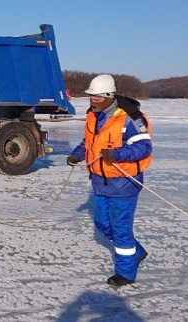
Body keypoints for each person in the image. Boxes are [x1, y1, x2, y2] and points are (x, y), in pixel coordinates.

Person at [66, 74, 153, 287]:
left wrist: (117, 155)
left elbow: (144, 147)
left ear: (108, 96)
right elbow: (90, 142)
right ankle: (137, 252)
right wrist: (77, 154)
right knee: (103, 224)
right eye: (90, 96)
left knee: (121, 228)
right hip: (100, 181)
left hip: (124, 183)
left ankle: (125, 274)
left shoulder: (130, 118)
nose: (92, 100)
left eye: (96, 97)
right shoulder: (93, 115)